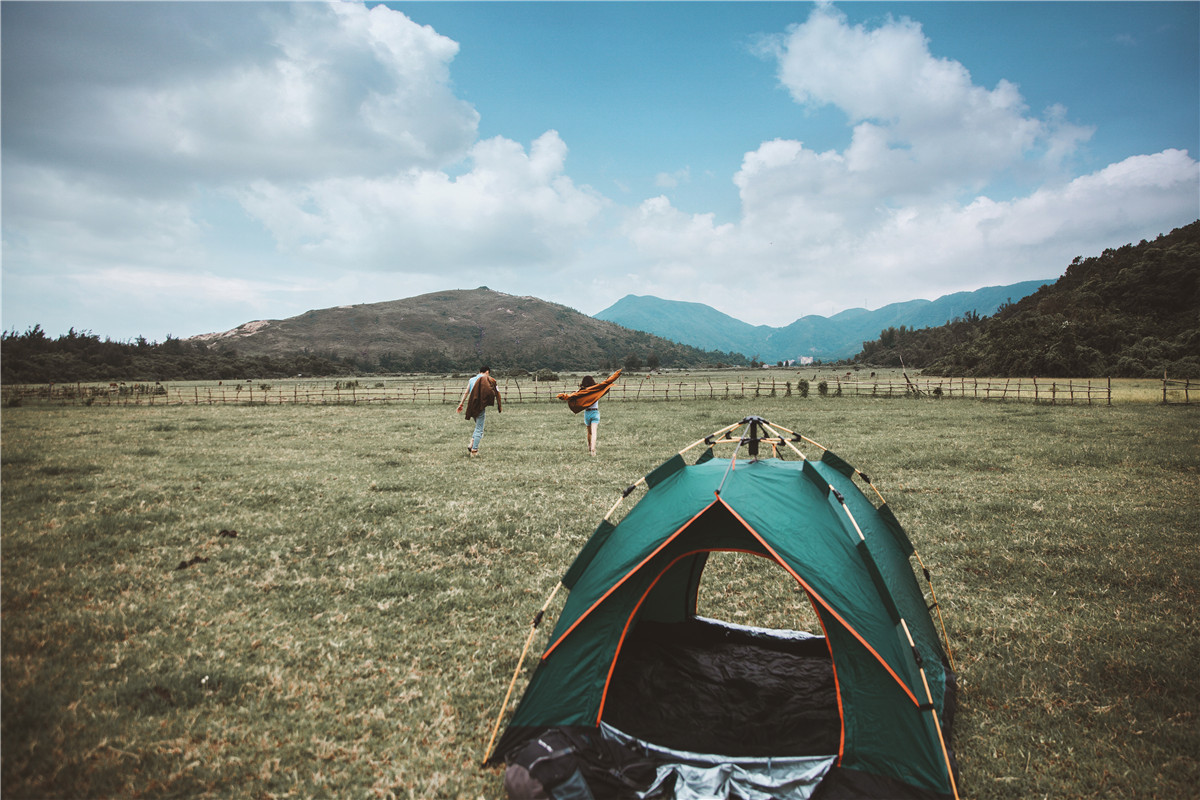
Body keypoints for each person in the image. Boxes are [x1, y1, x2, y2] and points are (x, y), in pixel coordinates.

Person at [457, 366, 501, 456]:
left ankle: (471, 443)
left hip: (471, 406)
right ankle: (474, 450)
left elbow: (466, 392)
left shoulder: (472, 379)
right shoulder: (487, 379)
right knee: (479, 429)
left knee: (478, 427)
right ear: (487, 372)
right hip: (479, 406)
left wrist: (461, 404)